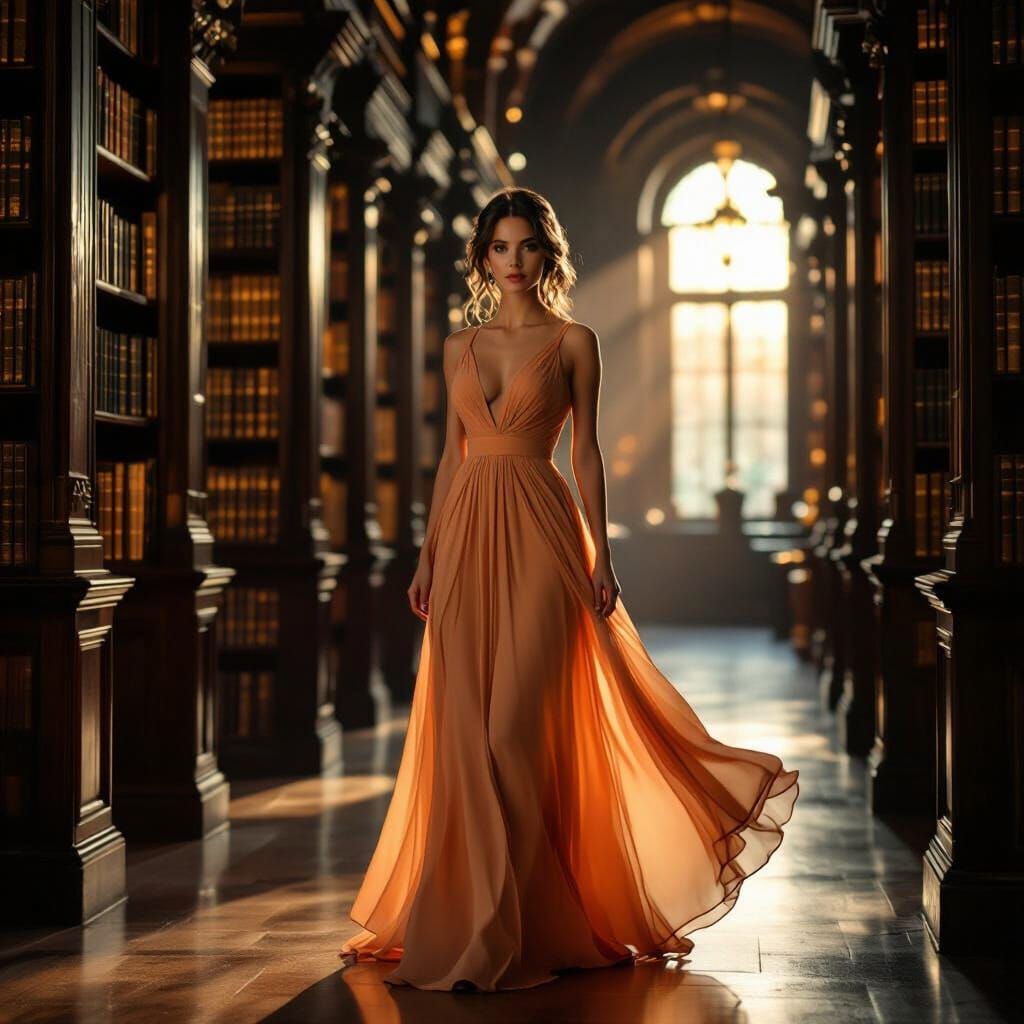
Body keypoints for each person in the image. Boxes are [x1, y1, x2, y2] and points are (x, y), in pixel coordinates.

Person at [338, 186, 799, 992]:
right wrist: (428, 555)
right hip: (467, 538)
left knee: (513, 731)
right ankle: (476, 922)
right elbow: (450, 459)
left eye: (527, 246)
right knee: (466, 735)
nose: (513, 261)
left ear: (547, 255)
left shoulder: (575, 341)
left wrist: (603, 555)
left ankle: (523, 924)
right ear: (483, 257)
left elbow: (585, 452)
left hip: (545, 537)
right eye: (500, 247)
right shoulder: (457, 345)